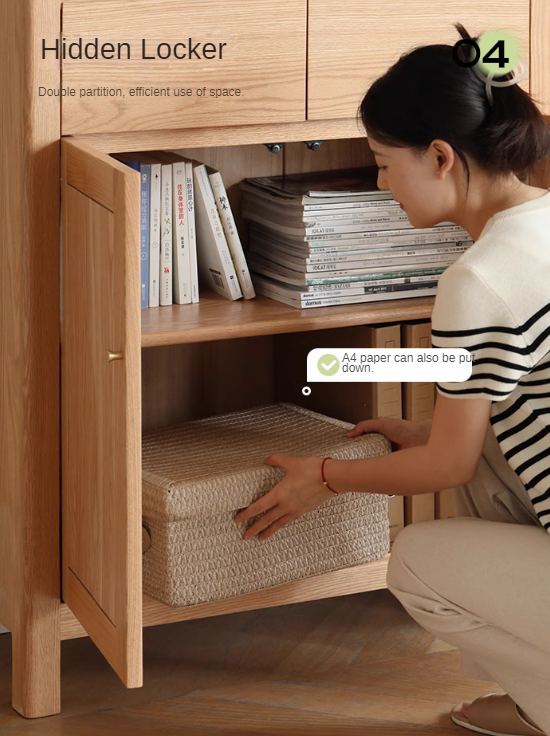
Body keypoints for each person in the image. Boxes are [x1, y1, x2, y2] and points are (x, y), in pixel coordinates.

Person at [233, 22, 550, 736]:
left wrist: (326, 474)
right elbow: (510, 406)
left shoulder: (481, 280)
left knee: (414, 563)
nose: (380, 185)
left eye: (381, 162)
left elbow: (448, 463)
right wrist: (426, 431)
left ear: (440, 156)